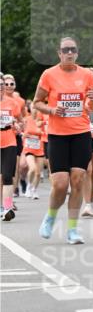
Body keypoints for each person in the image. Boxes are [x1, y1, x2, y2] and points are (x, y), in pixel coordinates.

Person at [32, 37, 93, 243]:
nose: (69, 53)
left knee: (78, 180)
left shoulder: (87, 75)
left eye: (73, 50)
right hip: (57, 135)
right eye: (65, 50)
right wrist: (52, 109)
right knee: (60, 184)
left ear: (77, 53)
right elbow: (36, 103)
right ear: (59, 53)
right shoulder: (49, 75)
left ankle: (72, 230)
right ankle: (50, 217)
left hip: (80, 133)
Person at [0, 74, 24, 221]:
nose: (1, 87)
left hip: (10, 140)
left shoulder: (13, 103)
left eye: (1, 85)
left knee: (8, 176)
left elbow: (21, 122)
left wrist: (18, 126)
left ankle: (7, 207)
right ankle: (1, 206)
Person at [3, 75, 26, 198]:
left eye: (11, 84)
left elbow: (23, 119)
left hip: (13, 137)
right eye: (6, 84)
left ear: (15, 86)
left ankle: (12, 194)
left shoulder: (19, 101)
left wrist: (19, 126)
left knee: (14, 167)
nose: (8, 86)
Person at [81, 67, 93, 217]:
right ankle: (87, 204)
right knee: (87, 169)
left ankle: (91, 202)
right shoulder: (78, 92)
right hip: (83, 133)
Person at [22, 104, 47, 200]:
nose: (35, 110)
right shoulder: (26, 120)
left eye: (37, 108)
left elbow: (46, 134)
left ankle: (34, 189)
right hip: (29, 148)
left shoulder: (42, 122)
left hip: (39, 148)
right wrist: (26, 134)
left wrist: (41, 132)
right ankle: (29, 186)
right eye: (33, 108)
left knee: (38, 172)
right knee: (32, 168)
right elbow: (22, 132)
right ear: (30, 109)